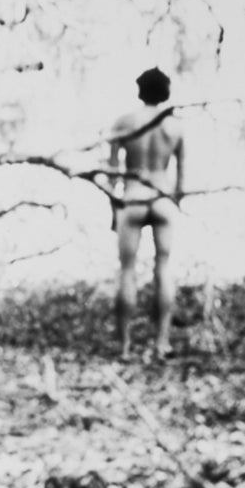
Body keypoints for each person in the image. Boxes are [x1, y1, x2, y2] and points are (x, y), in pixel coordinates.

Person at [108, 67, 185, 359]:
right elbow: (182, 180)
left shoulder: (124, 122)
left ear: (140, 90)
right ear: (166, 93)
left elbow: (113, 173)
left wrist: (113, 208)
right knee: (163, 268)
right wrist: (175, 204)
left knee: (127, 270)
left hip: (133, 197)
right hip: (163, 196)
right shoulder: (175, 127)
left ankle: (125, 346)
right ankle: (161, 343)